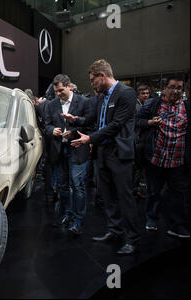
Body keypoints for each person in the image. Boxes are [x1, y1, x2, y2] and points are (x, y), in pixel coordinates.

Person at [70, 59, 141, 255]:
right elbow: (94, 120)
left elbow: (116, 125)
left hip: (119, 154)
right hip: (103, 153)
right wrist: (76, 120)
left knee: (124, 197)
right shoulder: (102, 97)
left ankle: (132, 239)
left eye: (93, 80)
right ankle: (115, 231)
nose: (91, 84)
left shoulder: (126, 94)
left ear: (103, 76)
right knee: (107, 196)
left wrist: (90, 138)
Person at [135, 77, 190, 238]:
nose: (175, 91)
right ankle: (151, 218)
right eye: (172, 87)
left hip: (177, 160)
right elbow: (136, 121)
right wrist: (150, 122)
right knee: (153, 191)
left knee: (177, 194)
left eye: (179, 88)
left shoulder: (186, 107)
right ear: (164, 88)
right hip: (156, 158)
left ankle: (176, 225)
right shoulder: (153, 105)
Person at [44, 74, 91, 235]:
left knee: (77, 186)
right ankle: (67, 214)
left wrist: (72, 133)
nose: (58, 94)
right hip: (59, 150)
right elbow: (47, 125)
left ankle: (78, 220)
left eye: (61, 90)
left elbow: (90, 125)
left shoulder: (84, 102)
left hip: (77, 150)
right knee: (62, 186)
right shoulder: (51, 105)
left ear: (69, 86)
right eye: (56, 91)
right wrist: (53, 131)